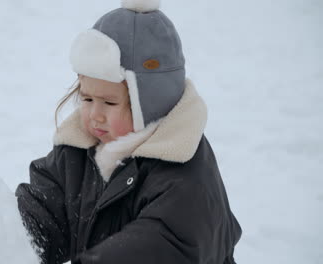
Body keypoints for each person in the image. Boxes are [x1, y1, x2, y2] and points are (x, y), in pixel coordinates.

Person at [15, 0, 242, 263]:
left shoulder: (185, 175)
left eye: (109, 103)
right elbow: (45, 211)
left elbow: (162, 245)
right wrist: (5, 234)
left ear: (152, 103)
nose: (94, 115)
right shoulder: (77, 153)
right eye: (87, 99)